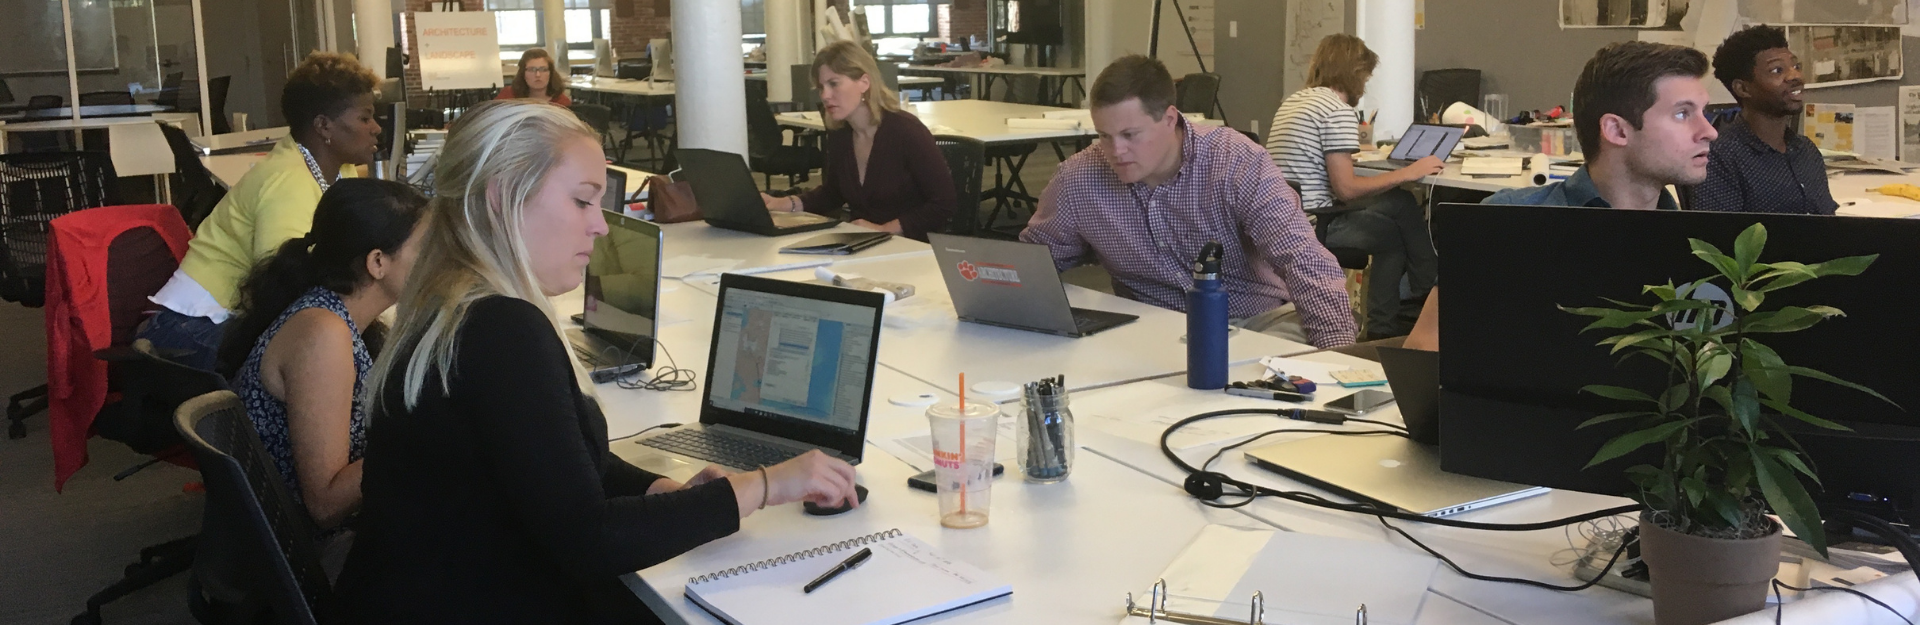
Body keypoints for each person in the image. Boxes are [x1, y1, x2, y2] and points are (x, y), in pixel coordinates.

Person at [336, 100, 860, 624]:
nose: (602, 227)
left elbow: (554, 464)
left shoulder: (448, 305)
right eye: (583, 202)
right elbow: (589, 540)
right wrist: (765, 486)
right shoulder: (500, 330)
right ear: (502, 197)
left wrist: (659, 491)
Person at [1020, 55, 1357, 349]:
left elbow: (1303, 260)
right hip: (1152, 329)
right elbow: (1034, 264)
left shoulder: (1235, 161)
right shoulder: (1079, 179)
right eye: (1104, 136)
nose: (1115, 151)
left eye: (1129, 135)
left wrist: (1340, 361)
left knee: (1278, 365)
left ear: (1169, 119)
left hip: (1256, 319)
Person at [1404, 41, 1717, 351]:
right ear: (1617, 130)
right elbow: (1426, 344)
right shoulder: (1509, 220)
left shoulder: (1703, 245)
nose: (1709, 131)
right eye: (1682, 114)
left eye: (1703, 112)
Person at [139, 52, 382, 371]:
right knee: (325, 367)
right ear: (324, 125)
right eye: (365, 118)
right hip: (196, 325)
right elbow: (284, 291)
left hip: (233, 318)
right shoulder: (287, 182)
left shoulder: (340, 171)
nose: (376, 128)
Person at [218, 179, 427, 532]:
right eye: (426, 248)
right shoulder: (323, 333)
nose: (438, 261)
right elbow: (325, 503)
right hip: (314, 550)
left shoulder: (333, 312)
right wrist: (421, 434)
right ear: (377, 262)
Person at [1267, 34, 1442, 340]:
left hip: (1283, 219)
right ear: (1355, 72)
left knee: (1398, 206)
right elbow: (1346, 189)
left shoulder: (1295, 101)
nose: (1365, 84)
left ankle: (1417, 299)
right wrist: (1409, 171)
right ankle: (1420, 301)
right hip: (1314, 223)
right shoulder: (1336, 110)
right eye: (1366, 76)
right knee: (1396, 227)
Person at [759, 41, 956, 241]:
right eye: (821, 87)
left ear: (864, 82)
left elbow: (944, 203)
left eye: (834, 84)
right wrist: (781, 203)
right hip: (862, 243)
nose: (825, 96)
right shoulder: (841, 133)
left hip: (912, 248)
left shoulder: (906, 131)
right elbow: (832, 194)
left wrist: (884, 229)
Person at [1692, 24, 1835, 215]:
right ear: (1743, 89)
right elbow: (1719, 239)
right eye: (1777, 70)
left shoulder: (1806, 150)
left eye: (1796, 66)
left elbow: (1828, 223)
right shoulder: (1721, 158)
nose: (1795, 76)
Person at [497, 47, 574, 107]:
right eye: (531, 70)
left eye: (543, 69)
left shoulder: (561, 102)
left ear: (551, 72)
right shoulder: (508, 96)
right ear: (523, 73)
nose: (538, 74)